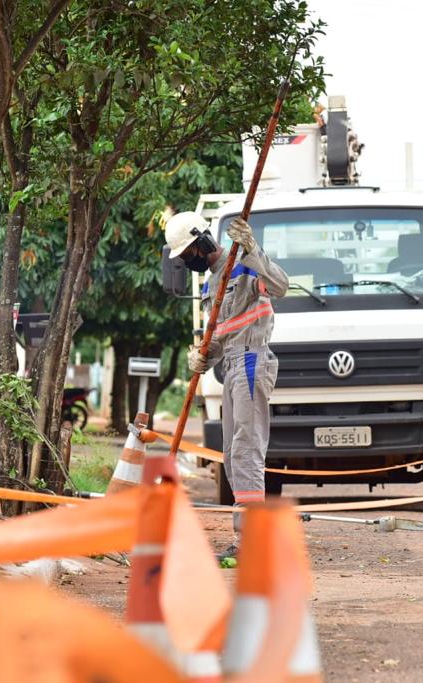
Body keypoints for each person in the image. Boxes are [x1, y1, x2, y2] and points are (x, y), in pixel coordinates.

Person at [164, 211, 289, 560]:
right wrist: (203, 355)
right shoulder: (209, 284)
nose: (189, 261)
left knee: (246, 448)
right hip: (232, 365)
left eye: (189, 254)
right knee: (233, 455)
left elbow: (281, 286)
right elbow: (219, 335)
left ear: (203, 242)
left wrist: (254, 250)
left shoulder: (244, 263)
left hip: (252, 361)